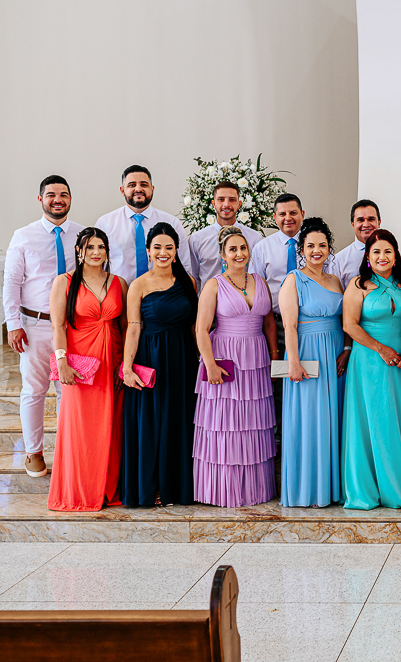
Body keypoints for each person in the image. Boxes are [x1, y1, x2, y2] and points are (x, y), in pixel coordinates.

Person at [192, 226, 278, 508]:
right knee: (225, 424)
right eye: (233, 249)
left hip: (256, 358)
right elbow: (201, 329)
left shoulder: (260, 281)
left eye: (243, 248)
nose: (239, 253)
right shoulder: (214, 284)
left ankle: (254, 488)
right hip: (225, 357)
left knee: (253, 423)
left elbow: (268, 323)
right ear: (222, 254)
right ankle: (223, 489)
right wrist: (210, 365)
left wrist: (275, 356)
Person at [3, 175, 82, 478]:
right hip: (35, 325)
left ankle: (65, 449)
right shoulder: (23, 236)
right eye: (51, 195)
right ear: (40, 200)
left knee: (68, 389)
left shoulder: (80, 234)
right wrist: (13, 325)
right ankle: (33, 452)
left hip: (72, 326)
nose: (57, 199)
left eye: (63, 194)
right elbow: (11, 282)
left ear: (70, 199)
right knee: (34, 390)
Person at [46, 228, 127, 511]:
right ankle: (78, 492)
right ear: (79, 251)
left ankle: (108, 489)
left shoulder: (119, 282)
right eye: (89, 247)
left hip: (112, 363)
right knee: (80, 428)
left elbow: (126, 326)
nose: (96, 252)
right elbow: (58, 326)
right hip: (81, 365)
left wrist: (125, 366)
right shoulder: (64, 282)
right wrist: (62, 362)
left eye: (101, 247)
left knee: (112, 427)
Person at [341, 229, 401, 510]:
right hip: (369, 364)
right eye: (376, 252)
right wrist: (381, 349)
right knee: (374, 421)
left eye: (387, 251)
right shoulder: (358, 285)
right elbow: (349, 325)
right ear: (367, 257)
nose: (382, 256)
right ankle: (375, 487)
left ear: (396, 255)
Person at [121, 222, 199, 507]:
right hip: (150, 358)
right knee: (151, 422)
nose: (163, 252)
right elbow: (133, 327)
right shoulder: (139, 284)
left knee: (179, 420)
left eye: (169, 247)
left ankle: (177, 487)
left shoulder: (188, 282)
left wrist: (204, 358)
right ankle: (151, 486)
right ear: (148, 251)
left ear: (176, 251)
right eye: (158, 247)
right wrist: (127, 367)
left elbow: (194, 327)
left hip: (182, 357)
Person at [278, 217, 349, 508]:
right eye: (311, 246)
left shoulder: (335, 280)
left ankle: (332, 487)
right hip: (306, 353)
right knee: (309, 420)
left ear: (329, 249)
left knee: (333, 419)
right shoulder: (293, 279)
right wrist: (294, 362)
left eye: (322, 245)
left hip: (334, 355)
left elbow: (346, 320)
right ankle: (308, 489)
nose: (317, 250)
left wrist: (345, 349)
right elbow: (289, 326)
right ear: (302, 250)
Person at [95, 165, 192, 283]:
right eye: (132, 185)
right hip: (118, 296)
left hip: (161, 295)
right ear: (122, 190)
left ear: (152, 189)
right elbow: (97, 267)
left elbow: (185, 265)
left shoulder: (171, 223)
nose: (138, 189)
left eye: (144, 185)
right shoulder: (105, 223)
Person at [187, 181, 263, 291]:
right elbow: (194, 278)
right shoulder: (197, 239)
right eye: (221, 199)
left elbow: (256, 278)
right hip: (209, 302)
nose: (226, 204)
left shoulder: (254, 238)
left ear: (239, 204)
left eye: (232, 200)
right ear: (213, 203)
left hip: (243, 302)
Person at [248, 193, 306, 312]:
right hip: (275, 320)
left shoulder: (314, 244)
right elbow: (256, 287)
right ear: (275, 217)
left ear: (302, 214)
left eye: (293, 213)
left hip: (310, 320)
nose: (288, 218)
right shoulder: (262, 248)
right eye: (282, 214)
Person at [331, 199, 382, 290]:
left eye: (371, 219)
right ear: (353, 224)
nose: (366, 224)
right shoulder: (338, 260)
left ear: (379, 222)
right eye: (360, 220)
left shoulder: (390, 255)